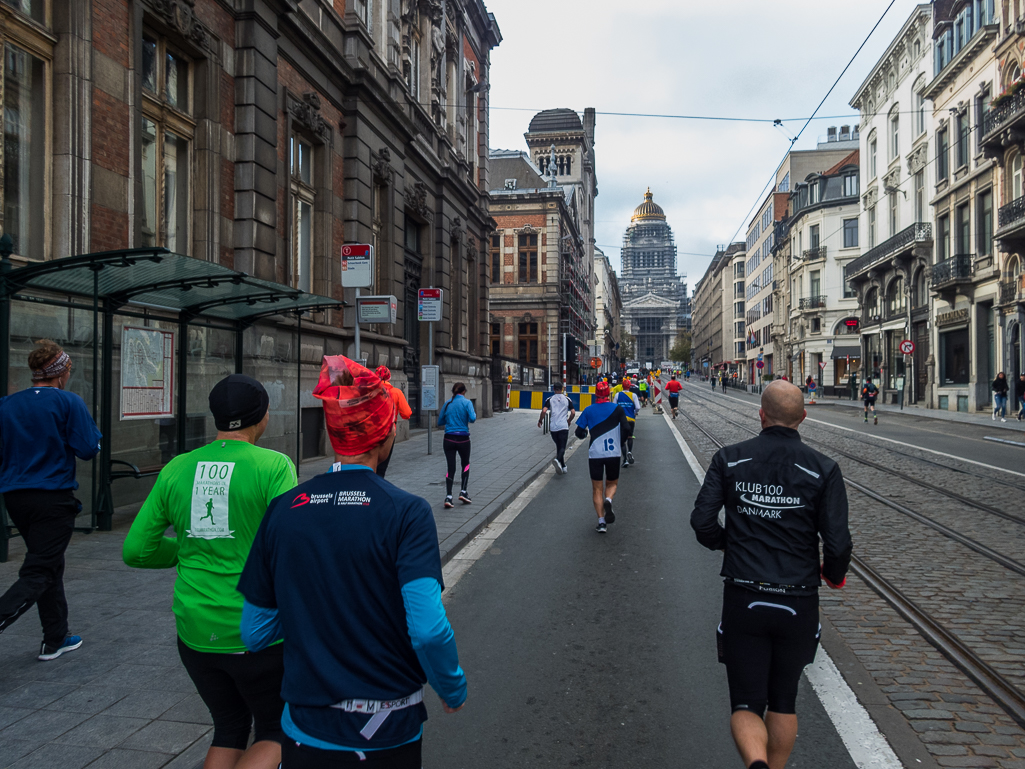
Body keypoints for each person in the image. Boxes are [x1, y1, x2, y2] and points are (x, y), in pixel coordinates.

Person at [237, 356, 465, 769]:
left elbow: (254, 633)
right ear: (387, 433)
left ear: (331, 431)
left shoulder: (284, 509)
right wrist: (452, 689)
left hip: (306, 726)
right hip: (386, 728)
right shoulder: (407, 513)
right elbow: (429, 631)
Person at [124, 374, 296, 769]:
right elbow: (289, 545)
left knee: (229, 727)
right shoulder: (274, 466)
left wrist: (184, 550)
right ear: (262, 417)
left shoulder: (177, 467)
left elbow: (136, 551)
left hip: (195, 631)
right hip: (257, 632)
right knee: (274, 730)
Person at [690, 380, 852, 769]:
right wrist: (832, 575)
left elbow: (701, 521)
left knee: (746, 702)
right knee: (783, 700)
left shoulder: (730, 459)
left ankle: (756, 763)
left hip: (746, 596)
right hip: (798, 600)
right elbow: (838, 544)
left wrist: (728, 543)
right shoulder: (824, 469)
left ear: (760, 414)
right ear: (804, 417)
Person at [0, 340, 101, 661]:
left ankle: (56, 638)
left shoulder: (7, 404)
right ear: (62, 372)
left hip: (15, 497)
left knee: (49, 563)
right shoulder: (68, 402)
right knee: (40, 569)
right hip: (53, 499)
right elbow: (88, 448)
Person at [574, 381, 630, 534]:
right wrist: (621, 441)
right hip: (613, 453)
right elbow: (626, 427)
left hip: (595, 453)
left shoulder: (588, 410)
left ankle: (601, 522)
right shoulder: (617, 409)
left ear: (596, 394)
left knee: (597, 488)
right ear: (609, 394)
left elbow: (578, 432)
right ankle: (609, 500)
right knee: (612, 484)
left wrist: (585, 434)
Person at [438, 382, 476, 508]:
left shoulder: (447, 403)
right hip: (463, 439)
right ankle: (463, 492)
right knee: (465, 464)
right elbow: (472, 418)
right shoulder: (467, 403)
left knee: (451, 467)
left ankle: (448, 496)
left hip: (448, 439)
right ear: (464, 391)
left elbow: (440, 421)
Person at [375, 366, 413, 478]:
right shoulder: (396, 392)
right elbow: (407, 413)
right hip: (389, 433)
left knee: (370, 465)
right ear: (389, 377)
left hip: (372, 432)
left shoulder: (370, 392)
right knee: (381, 469)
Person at [539, 382, 575, 474]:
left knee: (559, 446)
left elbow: (544, 411)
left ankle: (563, 466)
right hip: (563, 426)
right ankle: (558, 460)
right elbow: (573, 412)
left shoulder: (549, 399)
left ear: (553, 389)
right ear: (562, 389)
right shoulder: (567, 399)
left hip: (553, 427)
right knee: (562, 446)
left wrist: (540, 420)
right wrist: (569, 420)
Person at [615, 379, 640, 467]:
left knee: (622, 441)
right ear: (629, 387)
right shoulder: (633, 395)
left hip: (621, 420)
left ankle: (625, 459)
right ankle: (630, 451)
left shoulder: (618, 395)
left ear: (622, 386)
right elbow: (637, 407)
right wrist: (634, 412)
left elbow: (614, 406)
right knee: (630, 436)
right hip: (631, 420)